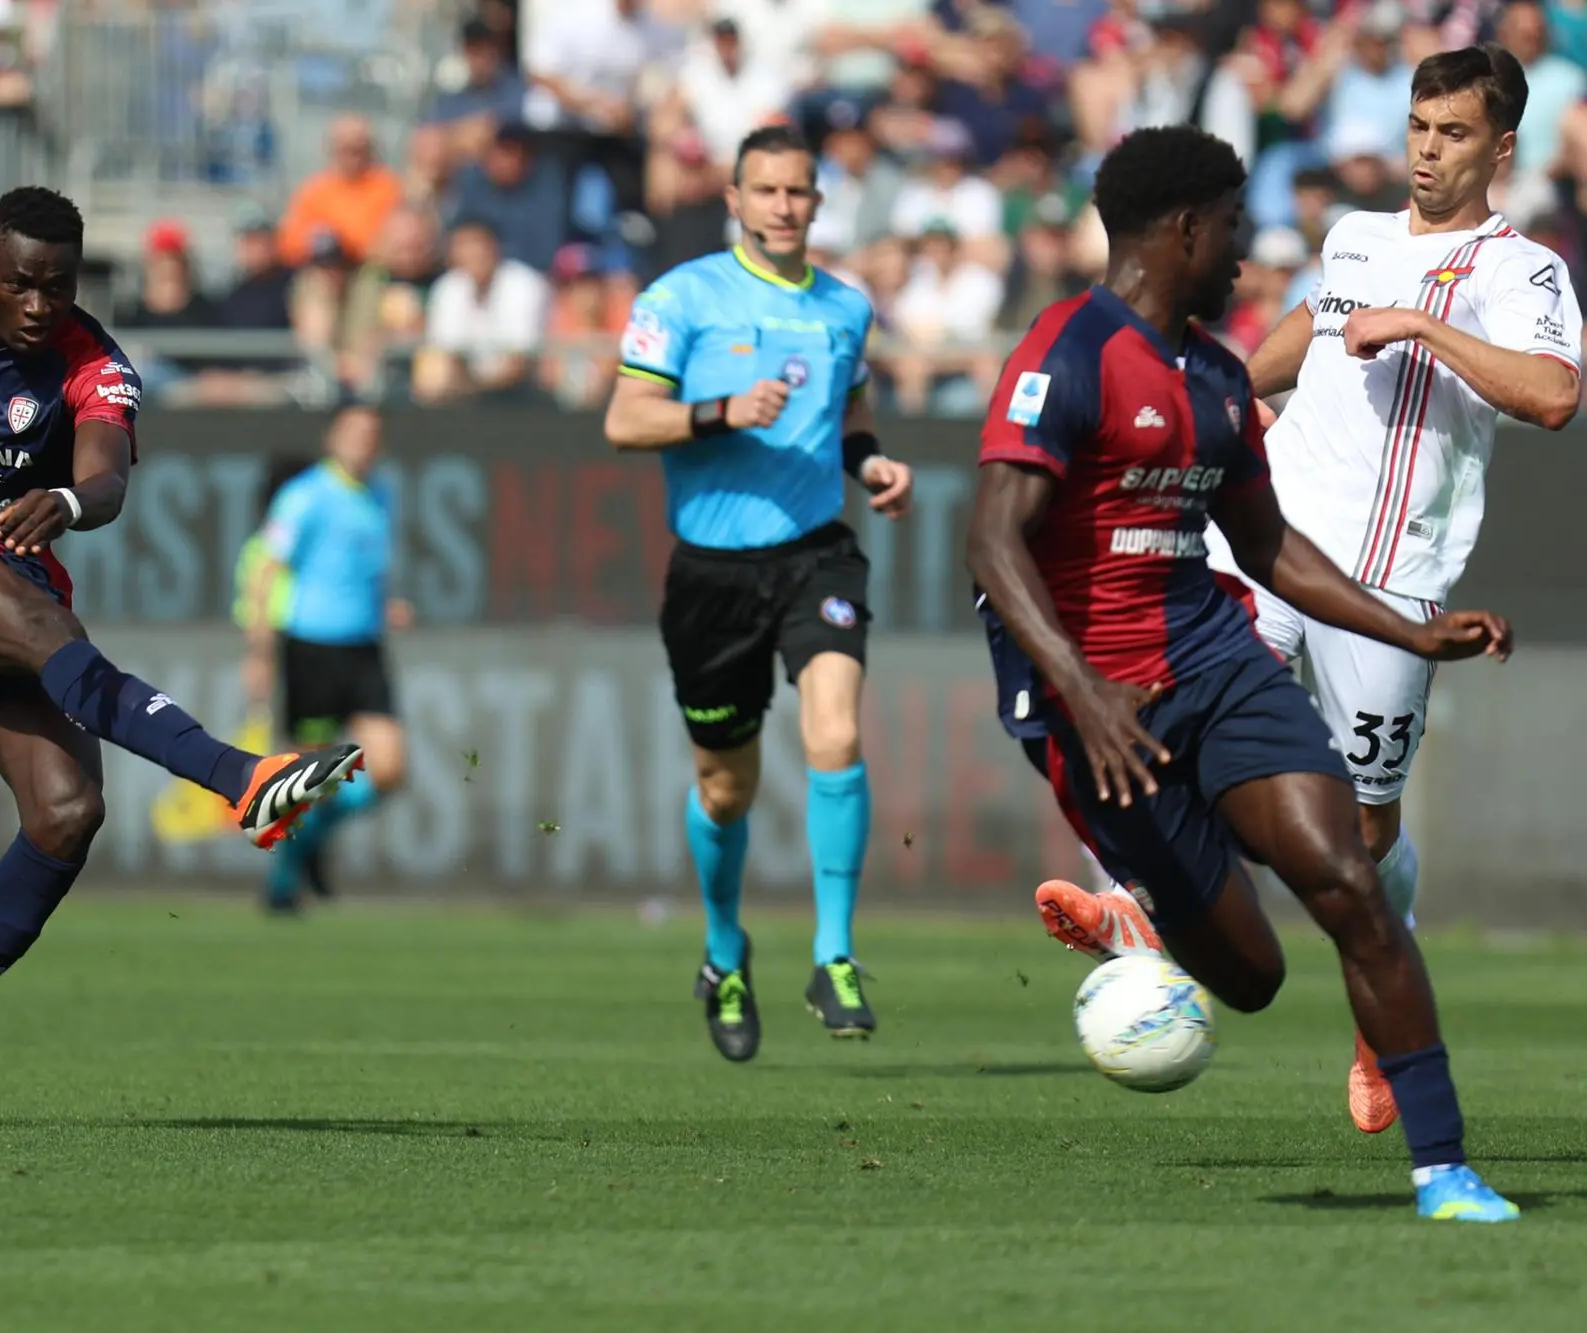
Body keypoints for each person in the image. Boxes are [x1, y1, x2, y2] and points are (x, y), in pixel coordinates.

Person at [968, 125, 1520, 1223]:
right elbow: (991, 542)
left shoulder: (1218, 378)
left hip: (1214, 656)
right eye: (1231, 229)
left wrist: (1408, 633)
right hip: (1098, 700)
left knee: (1350, 882)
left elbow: (1267, 548)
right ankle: (1155, 917)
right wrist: (1077, 689)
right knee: (1254, 978)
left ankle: (1444, 1168)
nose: (1246, 252)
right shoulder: (1065, 352)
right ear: (1183, 229)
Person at [1046, 44, 1583, 1139]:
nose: (1427, 152)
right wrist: (1220, 401)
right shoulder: (1353, 238)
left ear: (1501, 147)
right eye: (1419, 129)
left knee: (1363, 837)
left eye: (1454, 134)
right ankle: (1135, 905)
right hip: (1270, 546)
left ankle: (1376, 1005)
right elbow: (1292, 344)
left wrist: (1429, 327)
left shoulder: (1521, 273)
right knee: (1157, 701)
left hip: (1391, 583)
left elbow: (1555, 395)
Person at [0, 187, 363, 1129]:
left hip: (4, 584)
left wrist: (76, 503)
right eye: (21, 285)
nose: (41, 305)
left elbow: (107, 473)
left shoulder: (95, 365)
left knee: (68, 812)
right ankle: (241, 778)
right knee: (46, 632)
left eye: (59, 286)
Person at [603, 124, 915, 1064]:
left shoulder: (844, 309)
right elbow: (624, 419)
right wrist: (719, 412)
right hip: (711, 574)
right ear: (734, 200)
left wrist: (869, 464)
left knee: (835, 733)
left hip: (817, 553)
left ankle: (833, 951)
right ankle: (723, 947)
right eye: (766, 191)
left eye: (798, 192)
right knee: (724, 788)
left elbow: (847, 412)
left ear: (819, 203)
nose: (783, 207)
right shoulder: (682, 297)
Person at [241, 401, 410, 912]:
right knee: (308, 782)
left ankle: (310, 846)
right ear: (332, 437)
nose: (365, 442)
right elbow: (266, 572)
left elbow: (365, 567)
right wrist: (260, 654)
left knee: (388, 769)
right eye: (355, 431)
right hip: (311, 647)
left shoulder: (382, 492)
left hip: (363, 648)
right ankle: (283, 885)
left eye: (373, 432)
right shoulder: (305, 496)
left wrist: (387, 605)